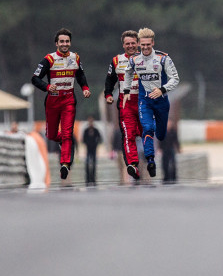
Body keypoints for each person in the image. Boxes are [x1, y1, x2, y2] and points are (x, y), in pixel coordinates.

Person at [31, 28, 91, 180]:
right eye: (62, 41)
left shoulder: (75, 58)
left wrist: (85, 88)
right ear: (56, 43)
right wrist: (46, 87)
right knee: (51, 134)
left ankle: (65, 163)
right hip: (52, 100)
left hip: (68, 99)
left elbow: (81, 75)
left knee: (67, 133)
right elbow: (35, 79)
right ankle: (62, 142)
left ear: (70, 43)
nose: (65, 44)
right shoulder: (49, 59)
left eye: (67, 41)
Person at [122, 28, 180, 179]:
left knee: (160, 134)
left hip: (161, 101)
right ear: (139, 44)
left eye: (148, 44)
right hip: (145, 100)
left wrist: (162, 89)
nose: (146, 48)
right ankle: (151, 160)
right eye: (143, 45)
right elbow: (128, 73)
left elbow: (175, 79)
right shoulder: (134, 60)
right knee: (147, 128)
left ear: (153, 43)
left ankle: (155, 128)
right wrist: (127, 91)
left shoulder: (163, 58)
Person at [104, 30, 143, 180]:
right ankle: (132, 164)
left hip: (143, 102)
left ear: (138, 43)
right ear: (123, 45)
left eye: (133, 43)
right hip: (126, 103)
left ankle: (148, 159)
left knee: (146, 131)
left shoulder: (146, 58)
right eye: (128, 44)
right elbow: (109, 80)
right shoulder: (116, 61)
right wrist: (108, 94)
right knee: (128, 134)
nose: (131, 46)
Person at [82, 116, 102, 184]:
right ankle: (87, 178)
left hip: (94, 149)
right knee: (87, 164)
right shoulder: (86, 130)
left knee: (94, 164)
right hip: (88, 149)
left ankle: (93, 178)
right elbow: (83, 140)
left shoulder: (96, 130)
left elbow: (100, 139)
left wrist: (96, 144)